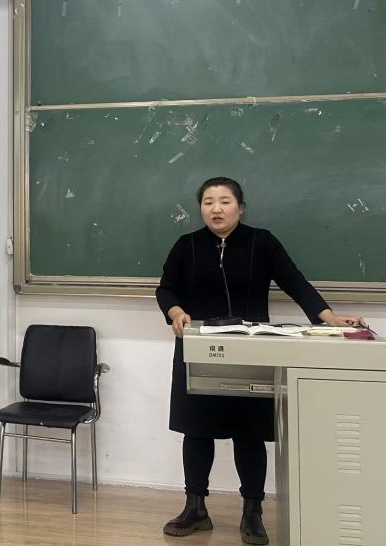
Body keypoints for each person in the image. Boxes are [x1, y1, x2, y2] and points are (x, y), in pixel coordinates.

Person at [155, 176, 364, 545]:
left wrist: (329, 318)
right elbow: (166, 288)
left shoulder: (261, 242)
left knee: (248, 432)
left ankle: (252, 511)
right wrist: (175, 311)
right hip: (199, 349)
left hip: (251, 351)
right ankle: (195, 507)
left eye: (224, 201)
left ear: (240, 206)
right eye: (208, 202)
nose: (216, 209)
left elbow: (296, 283)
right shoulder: (186, 245)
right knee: (197, 429)